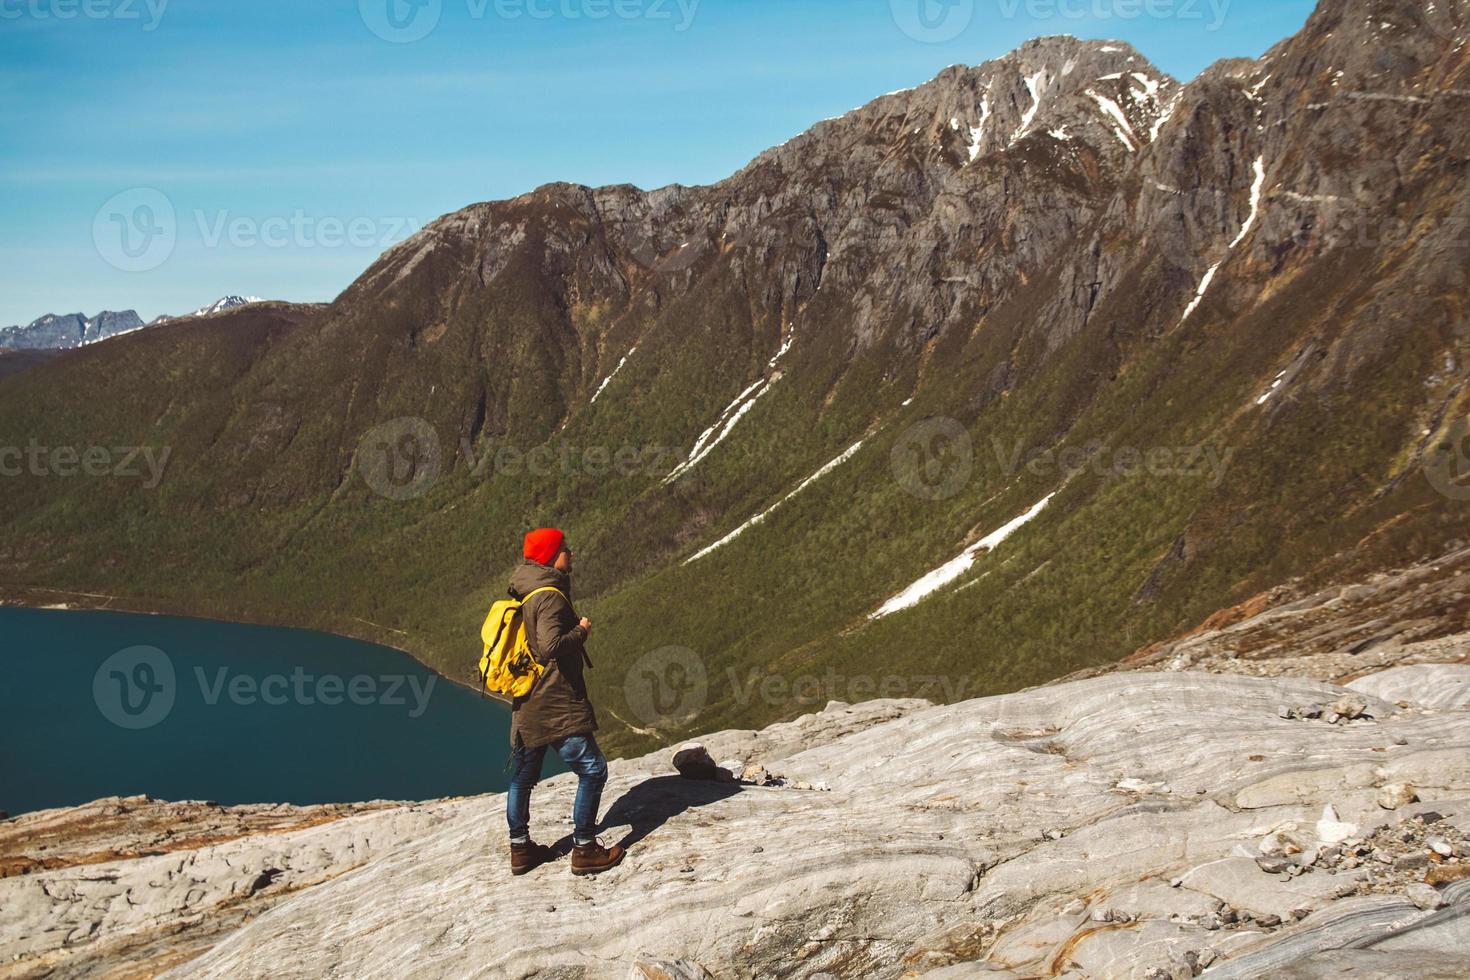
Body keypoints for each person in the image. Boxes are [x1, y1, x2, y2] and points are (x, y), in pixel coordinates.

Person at [505, 527, 625, 877]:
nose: (570, 553)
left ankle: (520, 848)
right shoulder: (550, 596)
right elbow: (549, 646)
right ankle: (585, 848)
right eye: (564, 548)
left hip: (527, 700)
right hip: (554, 702)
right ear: (551, 556)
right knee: (593, 769)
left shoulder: (524, 590)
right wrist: (582, 632)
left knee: (523, 777)